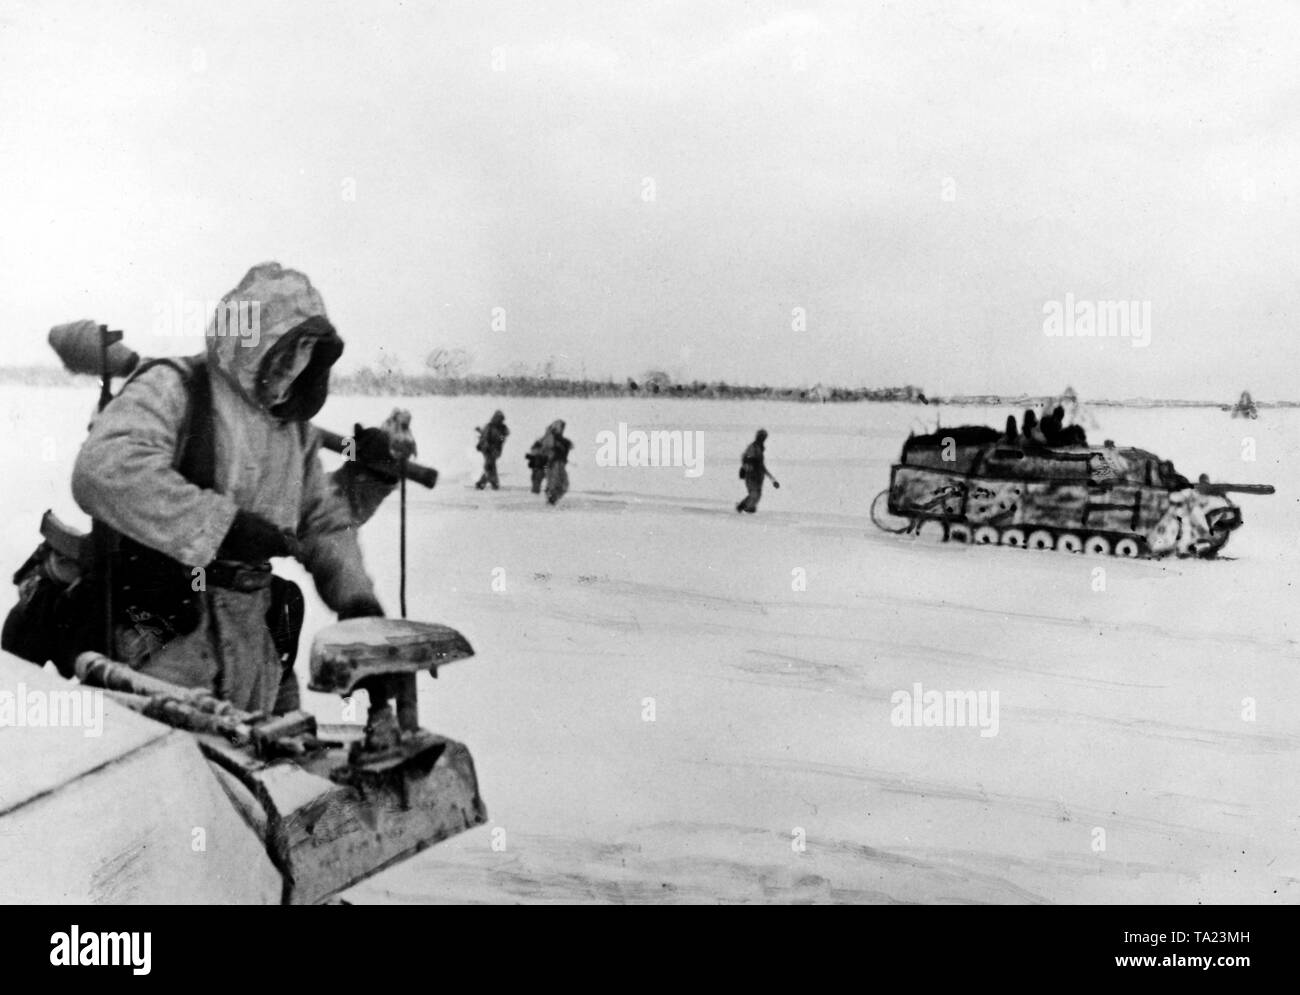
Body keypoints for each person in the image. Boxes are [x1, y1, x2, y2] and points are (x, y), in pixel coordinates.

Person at [70, 262, 403, 716]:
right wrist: (222, 525)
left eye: (306, 347)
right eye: (280, 344)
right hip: (163, 641)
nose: (292, 361)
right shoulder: (176, 388)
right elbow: (104, 470)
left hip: (254, 640)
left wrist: (357, 602)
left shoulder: (293, 431)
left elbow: (323, 524)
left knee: (263, 771)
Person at [736, 429, 778, 513]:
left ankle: (746, 507)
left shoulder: (760, 449)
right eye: (761, 437)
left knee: (757, 495)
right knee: (754, 494)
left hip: (759, 476)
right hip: (751, 476)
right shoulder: (753, 447)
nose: (762, 439)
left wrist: (773, 480)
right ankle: (745, 507)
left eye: (764, 437)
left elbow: (762, 467)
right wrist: (745, 468)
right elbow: (746, 459)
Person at [474, 410, 509, 490]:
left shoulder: (502, 428)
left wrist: (501, 438)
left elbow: (503, 437)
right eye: (498, 419)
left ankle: (483, 483)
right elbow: (484, 437)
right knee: (490, 466)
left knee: (490, 466)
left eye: (501, 419)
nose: (500, 421)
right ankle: (492, 482)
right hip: (487, 450)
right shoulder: (489, 426)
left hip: (495, 450)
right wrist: (485, 445)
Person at [540, 419, 572, 505]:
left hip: (558, 463)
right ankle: (552, 498)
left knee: (563, 483)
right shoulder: (550, 438)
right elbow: (546, 449)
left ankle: (552, 497)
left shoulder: (559, 439)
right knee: (556, 483)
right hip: (552, 463)